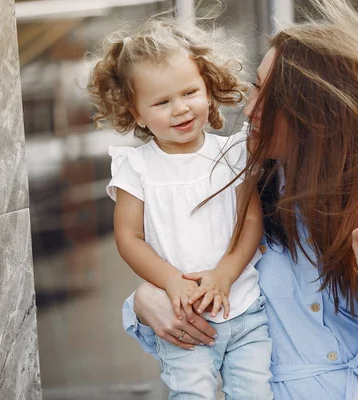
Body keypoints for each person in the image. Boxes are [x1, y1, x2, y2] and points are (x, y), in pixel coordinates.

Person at [122, 1, 358, 399]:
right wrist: (144, 302)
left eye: (267, 96)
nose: (248, 109)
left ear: (313, 115)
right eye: (255, 87)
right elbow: (190, 278)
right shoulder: (240, 191)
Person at [87, 17, 273, 399]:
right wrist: (170, 279)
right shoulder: (136, 167)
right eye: (161, 102)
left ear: (207, 89)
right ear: (136, 113)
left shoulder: (233, 153)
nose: (180, 110)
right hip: (182, 317)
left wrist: (225, 273)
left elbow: (252, 221)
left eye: (189, 92)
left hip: (247, 311)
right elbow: (128, 238)